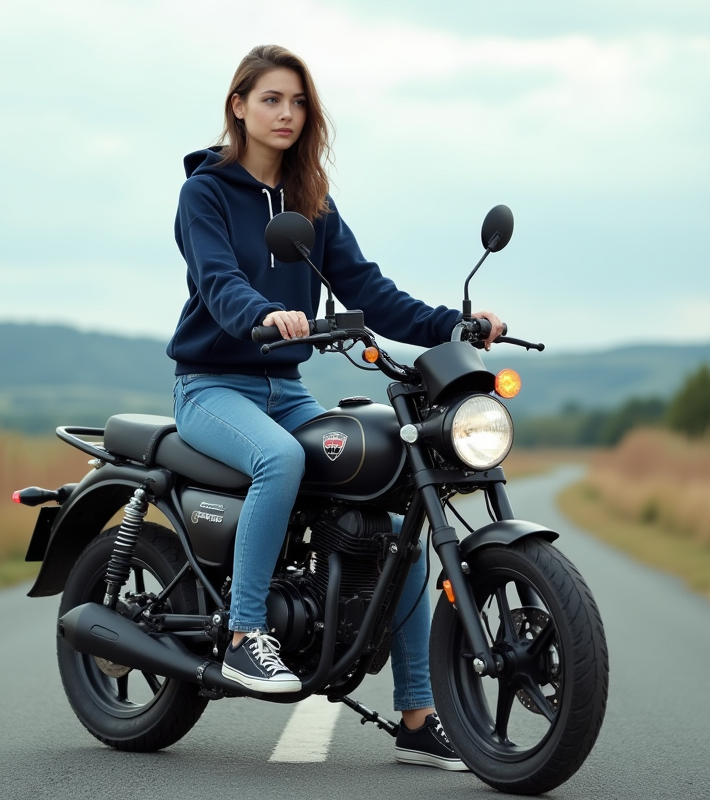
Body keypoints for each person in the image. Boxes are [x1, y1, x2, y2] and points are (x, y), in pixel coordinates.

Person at [165, 44, 503, 771]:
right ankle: (242, 636)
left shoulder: (310, 199)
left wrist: (454, 324)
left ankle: (416, 713)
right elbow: (219, 281)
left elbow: (369, 291)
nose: (286, 115)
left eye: (297, 103)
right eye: (271, 100)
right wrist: (266, 314)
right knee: (278, 459)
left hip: (284, 390)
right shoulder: (206, 194)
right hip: (211, 386)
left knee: (391, 512)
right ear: (239, 106)